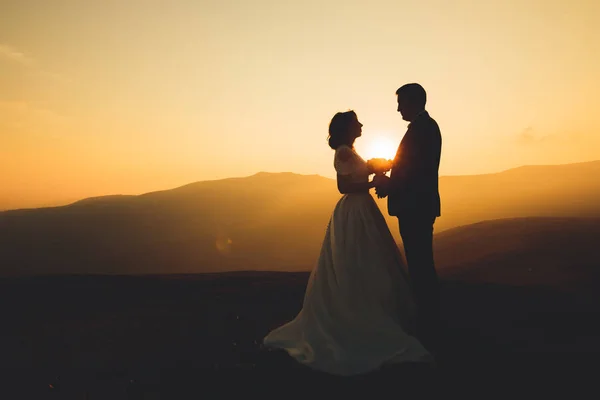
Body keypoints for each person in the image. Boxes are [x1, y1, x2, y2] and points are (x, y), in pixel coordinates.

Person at [262, 110, 431, 376]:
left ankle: (374, 310)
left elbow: (357, 175)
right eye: (357, 122)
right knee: (360, 259)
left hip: (361, 208)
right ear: (348, 128)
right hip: (355, 210)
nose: (361, 124)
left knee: (367, 260)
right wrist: (372, 181)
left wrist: (376, 167)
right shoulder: (342, 152)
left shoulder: (349, 152)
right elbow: (343, 186)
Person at [373, 83, 442, 351]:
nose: (398, 108)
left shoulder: (423, 130)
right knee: (420, 260)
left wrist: (389, 183)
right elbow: (408, 165)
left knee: (420, 262)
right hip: (417, 205)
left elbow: (415, 171)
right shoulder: (424, 128)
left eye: (401, 102)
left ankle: (428, 322)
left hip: (416, 206)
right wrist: (389, 169)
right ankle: (428, 317)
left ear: (414, 101)